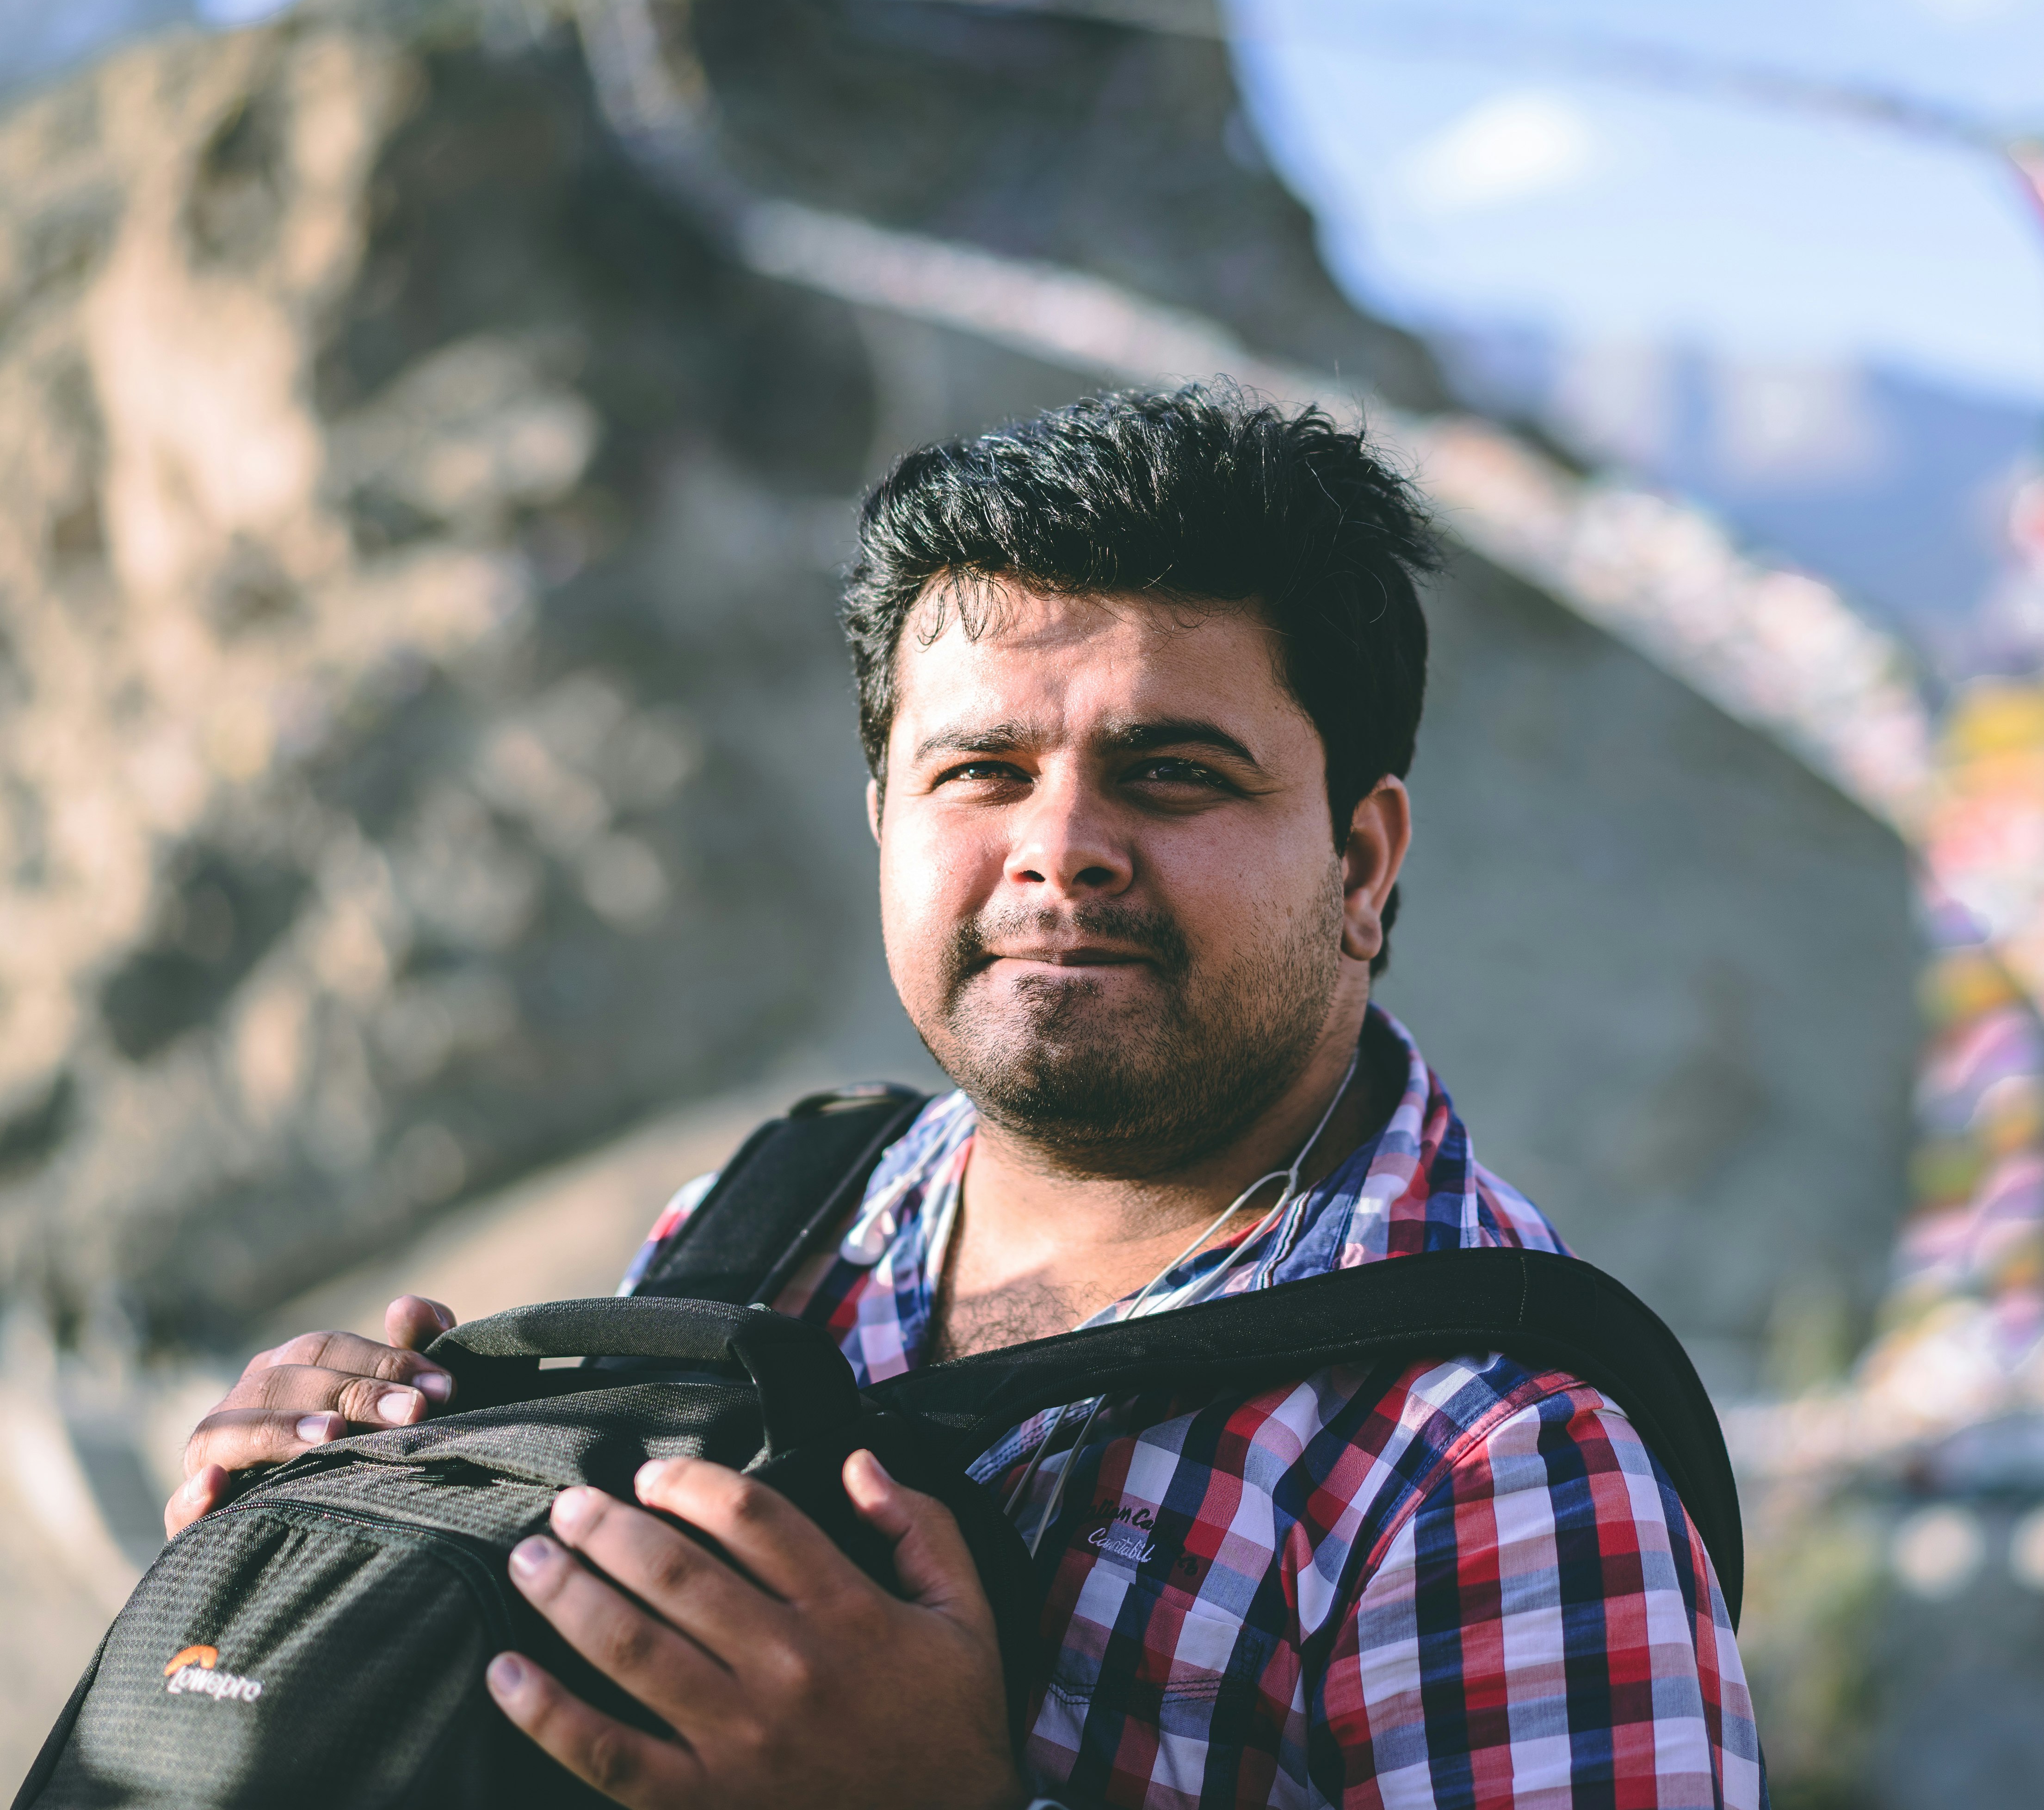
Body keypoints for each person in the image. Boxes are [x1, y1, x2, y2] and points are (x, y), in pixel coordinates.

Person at [167, 385, 1763, 1809]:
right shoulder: (765, 1223)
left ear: (1360, 861)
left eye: (1175, 772)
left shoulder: (1496, 1469)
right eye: (980, 771)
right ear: (884, 820)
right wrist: (313, 1555)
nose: (1058, 845)